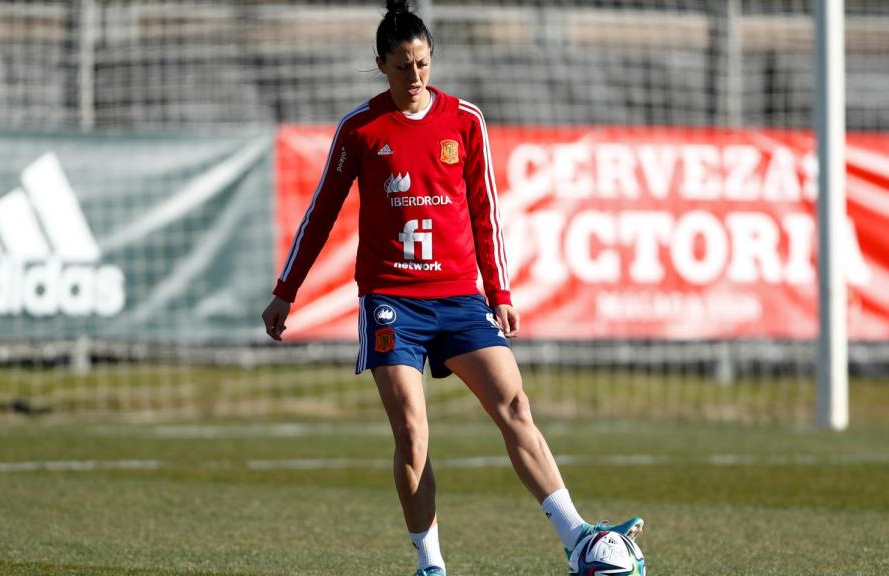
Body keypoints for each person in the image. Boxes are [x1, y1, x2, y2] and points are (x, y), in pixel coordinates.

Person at [261, 1, 643, 574]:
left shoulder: (465, 121)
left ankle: (578, 537)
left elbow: (485, 211)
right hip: (392, 302)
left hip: (461, 298)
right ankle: (431, 564)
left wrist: (501, 293)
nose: (413, 77)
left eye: (421, 63)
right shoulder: (360, 130)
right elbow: (320, 214)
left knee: (514, 404)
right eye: (400, 67)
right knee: (412, 434)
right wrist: (286, 290)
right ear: (380, 65)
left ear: (431, 57)